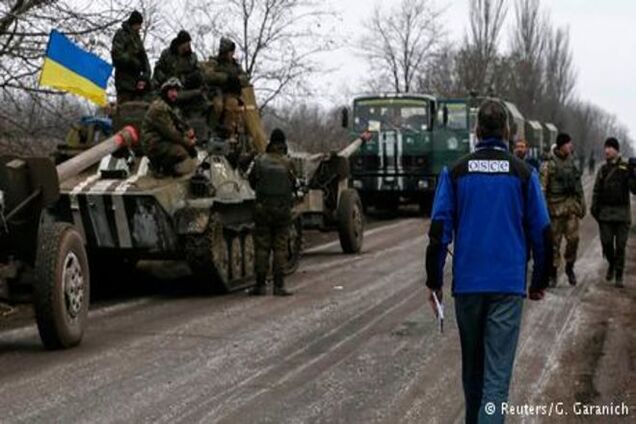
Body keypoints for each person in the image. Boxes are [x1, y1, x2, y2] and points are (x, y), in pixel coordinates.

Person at [425, 100, 552, 424]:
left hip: (468, 287)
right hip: (507, 287)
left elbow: (439, 231)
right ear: (508, 132)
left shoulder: (455, 172)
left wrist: (434, 281)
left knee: (473, 374)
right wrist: (538, 281)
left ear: (476, 131)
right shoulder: (524, 174)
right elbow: (542, 231)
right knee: (496, 382)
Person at [248, 129, 296, 296]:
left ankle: (260, 286)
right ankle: (279, 286)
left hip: (263, 209)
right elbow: (294, 183)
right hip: (283, 210)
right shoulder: (288, 162)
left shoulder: (260, 161)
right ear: (283, 144)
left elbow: (252, 182)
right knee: (280, 247)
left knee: (262, 247)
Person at [540, 132, 585, 287]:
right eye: (568, 144)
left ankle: (569, 267)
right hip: (555, 211)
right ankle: (552, 274)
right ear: (561, 145)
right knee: (554, 244)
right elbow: (542, 190)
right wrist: (543, 211)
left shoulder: (573, 164)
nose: (570, 146)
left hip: (571, 208)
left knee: (574, 240)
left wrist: (582, 204)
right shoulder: (549, 165)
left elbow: (579, 187)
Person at [590, 137, 636, 287]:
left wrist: (634, 173)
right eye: (606, 147)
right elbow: (597, 190)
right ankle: (612, 263)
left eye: (610, 147)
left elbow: (634, 189)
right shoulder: (603, 169)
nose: (607, 150)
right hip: (606, 214)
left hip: (622, 214)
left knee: (621, 246)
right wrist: (594, 208)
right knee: (607, 243)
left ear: (616, 150)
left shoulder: (625, 168)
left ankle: (619, 275)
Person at [141, 78, 197, 176]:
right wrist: (188, 143)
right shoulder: (159, 107)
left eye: (176, 91)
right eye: (171, 91)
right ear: (165, 92)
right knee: (181, 152)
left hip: (159, 140)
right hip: (153, 143)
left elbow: (178, 124)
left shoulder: (167, 106)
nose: (174, 94)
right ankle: (159, 167)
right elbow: (171, 133)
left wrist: (187, 133)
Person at [111, 10, 151, 104]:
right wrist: (132, 60)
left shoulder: (137, 39)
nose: (140, 27)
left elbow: (144, 59)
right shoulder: (121, 35)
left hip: (137, 84)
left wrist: (145, 76)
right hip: (124, 83)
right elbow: (117, 55)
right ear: (133, 23)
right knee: (124, 112)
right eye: (138, 24)